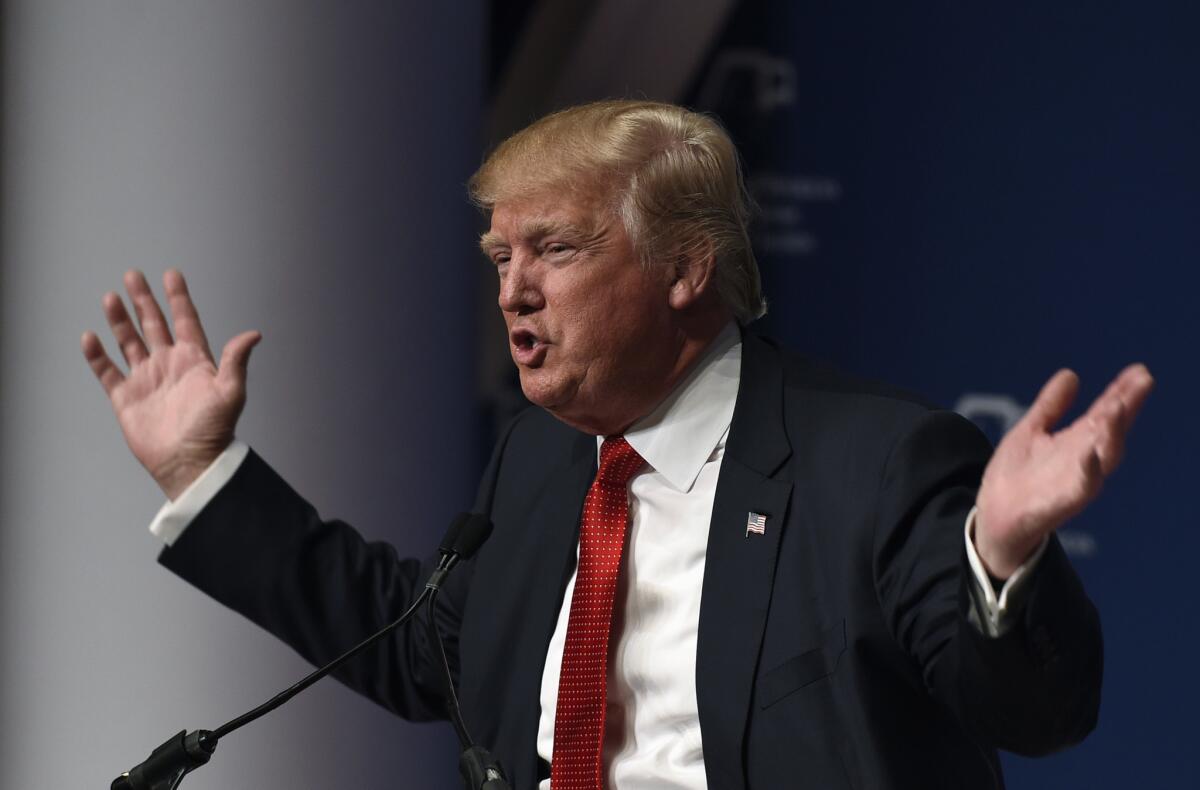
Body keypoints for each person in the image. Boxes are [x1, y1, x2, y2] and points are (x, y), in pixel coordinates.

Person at [82, 100, 1153, 789]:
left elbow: (1037, 713)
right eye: (500, 255)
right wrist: (201, 476)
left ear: (687, 268)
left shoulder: (873, 461)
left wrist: (1003, 559)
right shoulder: (544, 458)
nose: (513, 289)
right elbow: (426, 650)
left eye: (554, 248)